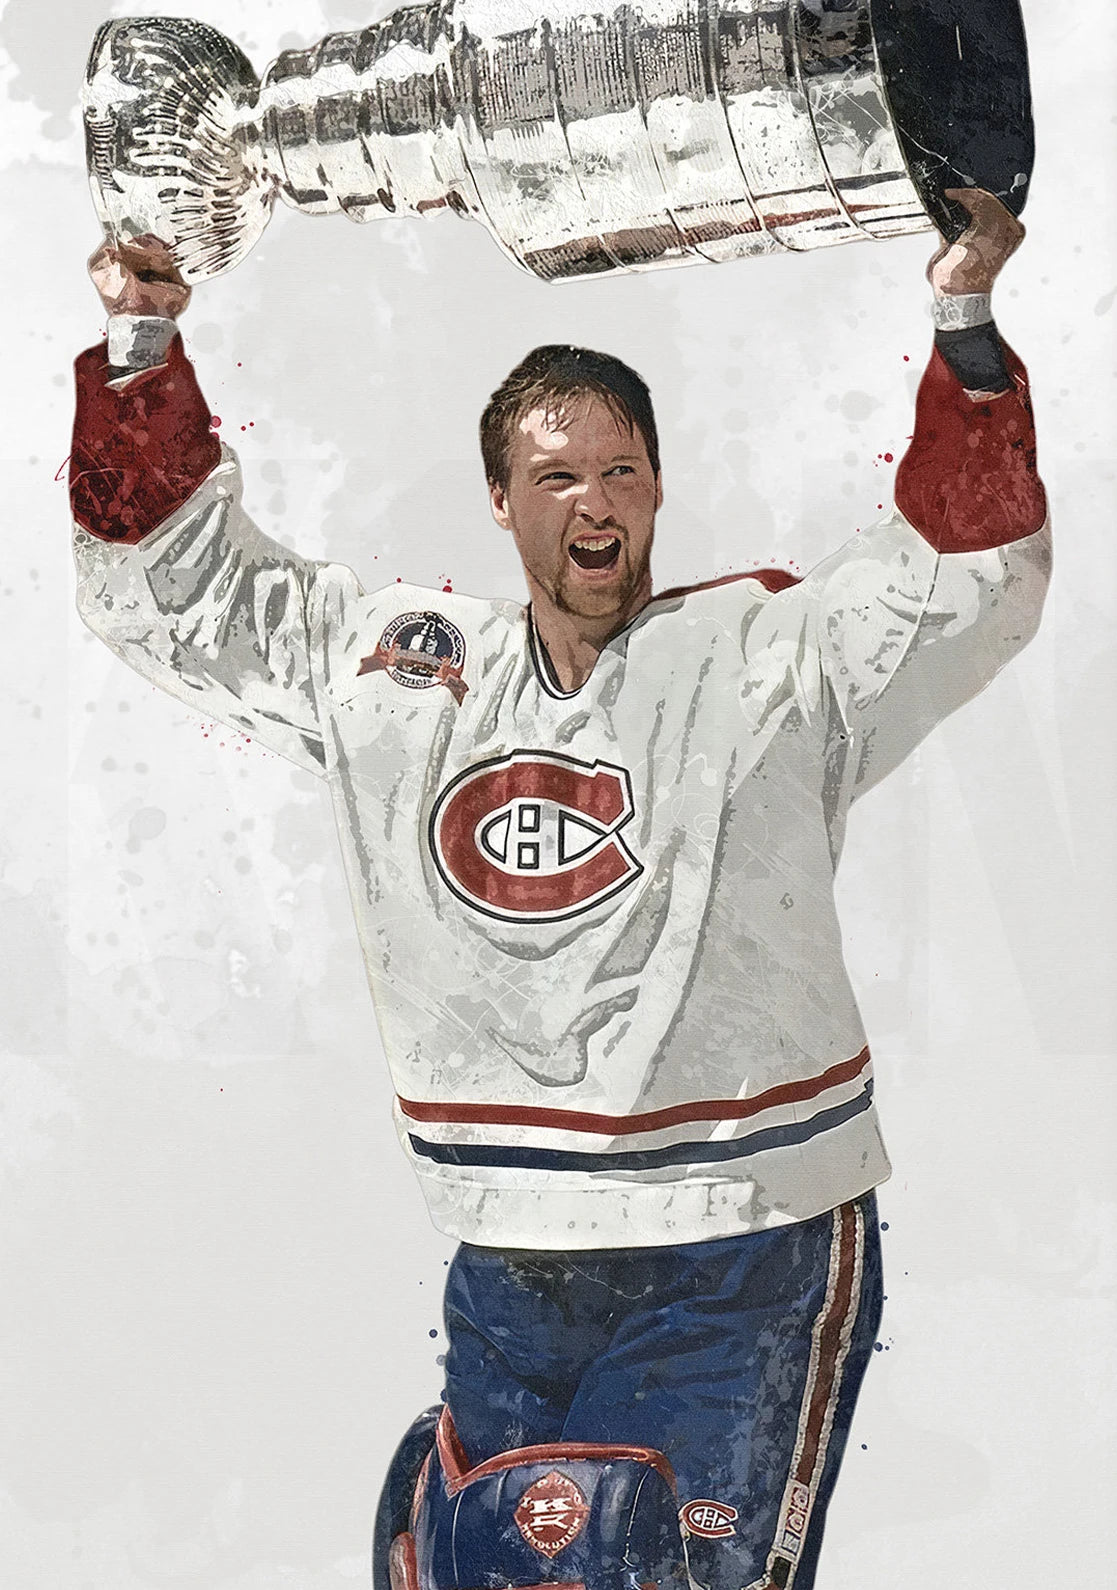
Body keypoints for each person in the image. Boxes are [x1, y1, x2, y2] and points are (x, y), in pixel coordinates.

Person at [71, 189, 1048, 1590]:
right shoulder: (399, 674)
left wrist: (961, 328)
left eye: (621, 471)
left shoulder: (765, 656)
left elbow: (967, 584)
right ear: (499, 499)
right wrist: (140, 347)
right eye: (555, 476)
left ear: (654, 486)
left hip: (744, 1238)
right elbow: (172, 600)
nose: (594, 503)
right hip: (511, 1249)